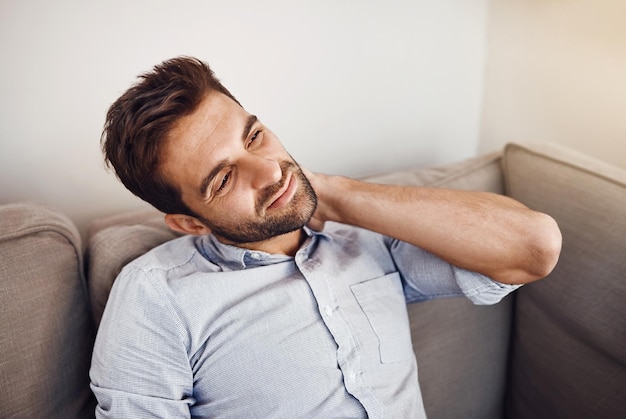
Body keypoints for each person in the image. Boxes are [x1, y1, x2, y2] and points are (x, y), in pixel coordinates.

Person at [90, 56, 562, 418]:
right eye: (223, 179)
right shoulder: (156, 294)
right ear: (189, 221)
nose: (270, 170)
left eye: (253, 136)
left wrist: (330, 196)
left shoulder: (366, 239)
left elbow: (533, 246)